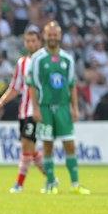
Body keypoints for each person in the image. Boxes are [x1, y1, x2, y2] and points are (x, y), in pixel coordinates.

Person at [27, 21, 90, 195]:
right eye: (49, 34)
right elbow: (32, 85)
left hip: (63, 107)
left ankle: (75, 184)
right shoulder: (37, 59)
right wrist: (36, 109)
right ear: (45, 36)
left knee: (69, 145)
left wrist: (75, 108)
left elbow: (72, 85)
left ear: (60, 36)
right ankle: (50, 184)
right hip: (45, 107)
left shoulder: (67, 59)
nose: (52, 37)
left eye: (55, 34)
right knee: (48, 145)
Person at [0, 29, 45, 193]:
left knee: (26, 146)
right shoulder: (22, 63)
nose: (30, 44)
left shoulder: (45, 61)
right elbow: (15, 88)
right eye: (28, 41)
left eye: (33, 41)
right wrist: (1, 101)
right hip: (24, 110)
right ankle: (51, 178)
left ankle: (19, 184)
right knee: (31, 148)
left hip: (38, 111)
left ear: (39, 42)